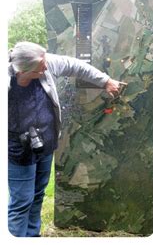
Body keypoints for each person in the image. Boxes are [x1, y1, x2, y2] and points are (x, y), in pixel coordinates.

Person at [8, 42, 122, 237]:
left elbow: (75, 65)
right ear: (24, 70)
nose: (46, 66)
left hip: (45, 145)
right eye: (41, 65)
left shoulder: (45, 64)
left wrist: (105, 81)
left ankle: (33, 236)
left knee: (37, 196)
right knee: (22, 202)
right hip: (18, 151)